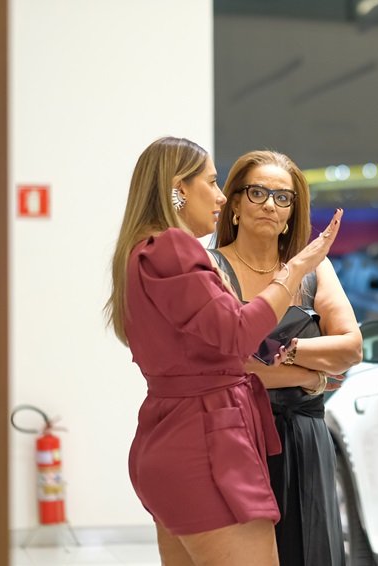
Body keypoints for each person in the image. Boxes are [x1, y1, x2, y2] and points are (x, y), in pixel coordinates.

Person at [104, 137, 343, 566]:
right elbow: (238, 336)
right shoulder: (174, 247)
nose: (219, 196)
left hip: (167, 436)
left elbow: (223, 351)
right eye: (212, 182)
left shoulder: (140, 251)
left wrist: (305, 376)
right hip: (207, 447)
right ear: (178, 188)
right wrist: (294, 271)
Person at [212, 150, 361, 566]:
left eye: (282, 197)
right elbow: (231, 367)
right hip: (238, 434)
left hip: (305, 437)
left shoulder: (315, 269)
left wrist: (288, 351)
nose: (270, 205)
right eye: (257, 192)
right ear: (235, 203)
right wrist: (311, 376)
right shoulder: (213, 267)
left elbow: (351, 347)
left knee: (311, 551)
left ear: (293, 212)